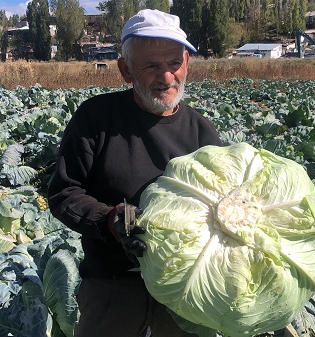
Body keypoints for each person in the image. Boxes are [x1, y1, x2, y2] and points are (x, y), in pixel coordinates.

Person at [47, 8, 223, 337]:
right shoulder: (96, 119)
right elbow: (64, 193)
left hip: (187, 290)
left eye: (173, 64)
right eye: (151, 66)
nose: (166, 77)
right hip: (112, 286)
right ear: (125, 69)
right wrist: (108, 219)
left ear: (186, 63)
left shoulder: (202, 133)